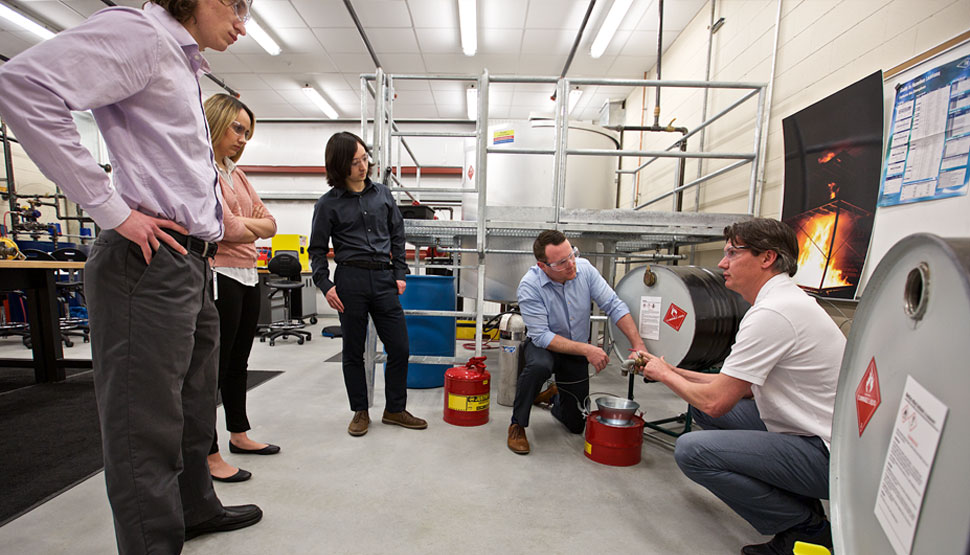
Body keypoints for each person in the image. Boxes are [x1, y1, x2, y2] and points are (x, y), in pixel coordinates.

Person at [0, 1, 263, 552]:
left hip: (194, 260)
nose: (243, 21)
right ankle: (152, 543)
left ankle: (194, 508)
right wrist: (111, 209)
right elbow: (22, 87)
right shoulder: (139, 34)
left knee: (194, 404)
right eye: (236, 4)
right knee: (144, 424)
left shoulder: (183, 63)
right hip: (148, 262)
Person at [635, 217, 845, 555]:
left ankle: (808, 530)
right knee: (705, 410)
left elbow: (717, 401)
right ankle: (805, 509)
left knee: (693, 450)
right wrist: (674, 370)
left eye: (732, 253)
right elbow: (737, 387)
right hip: (810, 431)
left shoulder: (773, 314)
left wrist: (664, 374)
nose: (722, 263)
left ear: (767, 258)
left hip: (829, 453)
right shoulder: (783, 302)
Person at [308, 131, 427, 437]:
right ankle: (360, 410)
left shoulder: (383, 195)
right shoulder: (327, 204)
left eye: (364, 158)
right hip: (350, 280)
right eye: (354, 161)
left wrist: (400, 273)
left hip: (384, 278)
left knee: (400, 347)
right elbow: (317, 250)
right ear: (338, 166)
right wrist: (325, 284)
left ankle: (395, 409)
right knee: (353, 351)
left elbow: (397, 237)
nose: (363, 166)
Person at [509, 230, 647, 455]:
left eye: (572, 254)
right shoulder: (529, 285)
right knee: (538, 367)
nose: (571, 264)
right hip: (544, 346)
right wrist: (588, 350)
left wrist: (638, 344)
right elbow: (542, 335)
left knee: (575, 425)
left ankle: (555, 398)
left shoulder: (585, 270)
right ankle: (517, 425)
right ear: (544, 266)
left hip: (576, 348)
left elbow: (613, 305)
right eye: (562, 262)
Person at [202, 93, 280, 484]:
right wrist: (246, 226)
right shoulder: (204, 169)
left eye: (247, 133)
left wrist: (244, 225)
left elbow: (270, 223)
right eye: (237, 128)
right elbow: (224, 227)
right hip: (220, 273)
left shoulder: (237, 173)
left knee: (238, 362)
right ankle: (209, 451)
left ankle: (239, 433)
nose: (242, 139)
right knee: (211, 368)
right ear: (215, 120)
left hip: (248, 274)